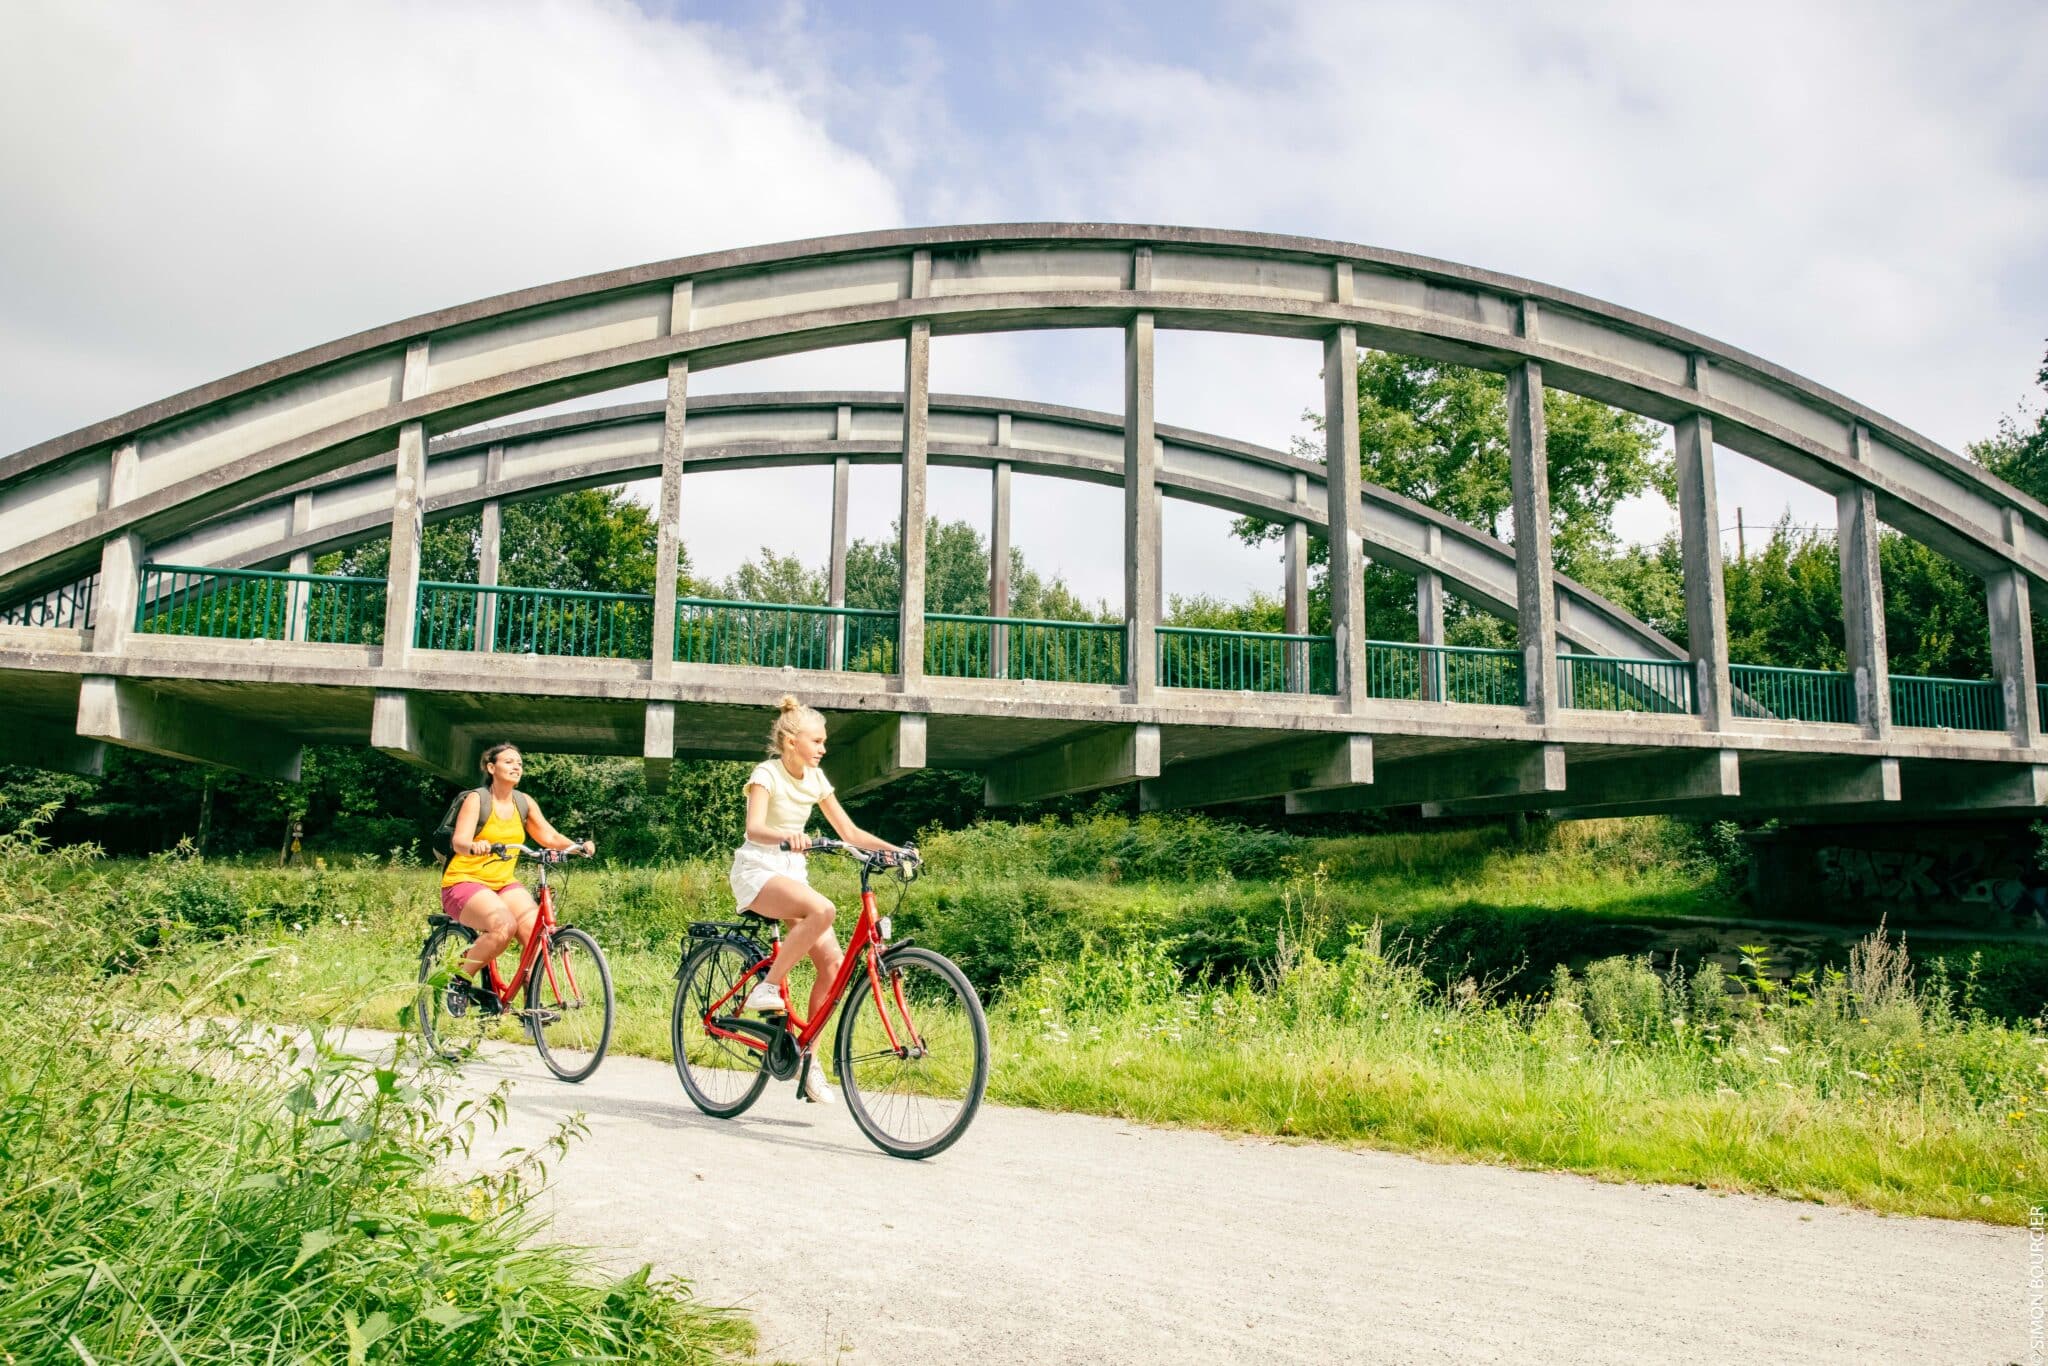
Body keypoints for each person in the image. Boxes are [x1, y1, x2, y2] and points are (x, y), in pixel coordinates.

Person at [730, 695, 901, 1103]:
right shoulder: (766, 774)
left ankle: (809, 1060)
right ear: (792, 741)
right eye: (817, 740)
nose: (824, 748)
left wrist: (894, 850)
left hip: (792, 873)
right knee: (823, 909)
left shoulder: (817, 779)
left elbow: (850, 832)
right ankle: (767, 989)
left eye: (824, 742)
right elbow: (754, 828)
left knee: (833, 965)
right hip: (759, 870)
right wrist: (787, 837)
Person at [440, 742, 593, 1013]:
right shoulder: (477, 799)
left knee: (536, 931)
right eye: (509, 761)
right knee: (503, 926)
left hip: (502, 884)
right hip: (465, 881)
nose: (516, 766)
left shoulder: (523, 802)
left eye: (519, 763)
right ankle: (459, 979)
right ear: (491, 768)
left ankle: (529, 1005)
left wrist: (577, 846)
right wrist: (476, 845)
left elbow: (549, 836)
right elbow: (459, 841)